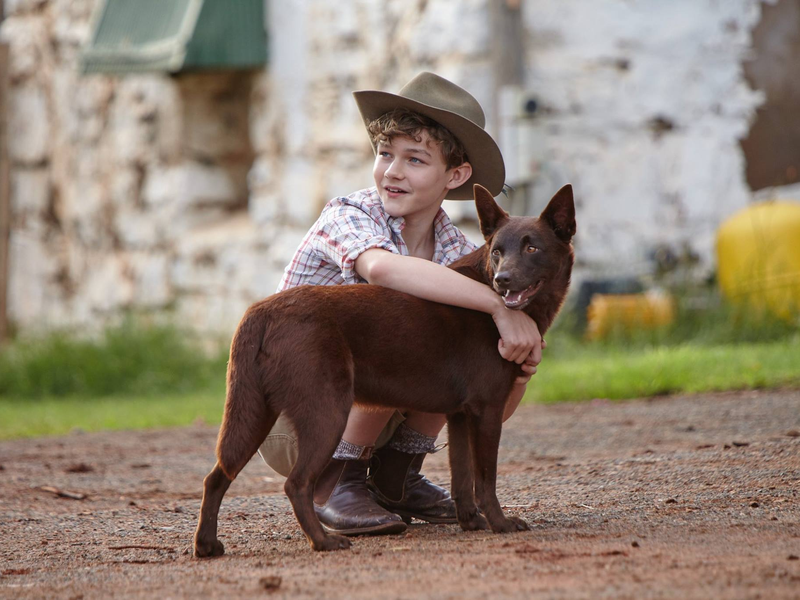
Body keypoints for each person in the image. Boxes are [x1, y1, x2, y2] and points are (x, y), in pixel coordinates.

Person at [258, 72, 543, 536]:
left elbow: (484, 403)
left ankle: (398, 478)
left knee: (456, 349)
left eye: (414, 159)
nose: (392, 171)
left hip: (374, 407)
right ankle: (335, 483)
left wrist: (516, 370)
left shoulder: (455, 250)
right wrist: (499, 308)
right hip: (298, 419)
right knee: (396, 327)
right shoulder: (348, 215)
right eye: (385, 154)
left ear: (455, 175)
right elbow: (384, 271)